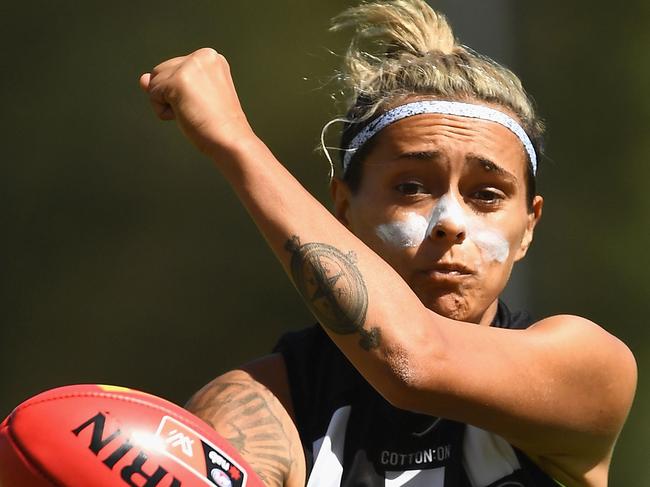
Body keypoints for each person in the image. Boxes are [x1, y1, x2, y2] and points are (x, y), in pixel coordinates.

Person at [139, 1, 636, 486]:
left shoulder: (587, 368)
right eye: (412, 187)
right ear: (342, 209)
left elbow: (414, 361)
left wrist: (233, 139)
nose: (450, 223)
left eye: (486, 194)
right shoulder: (264, 401)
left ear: (529, 225)